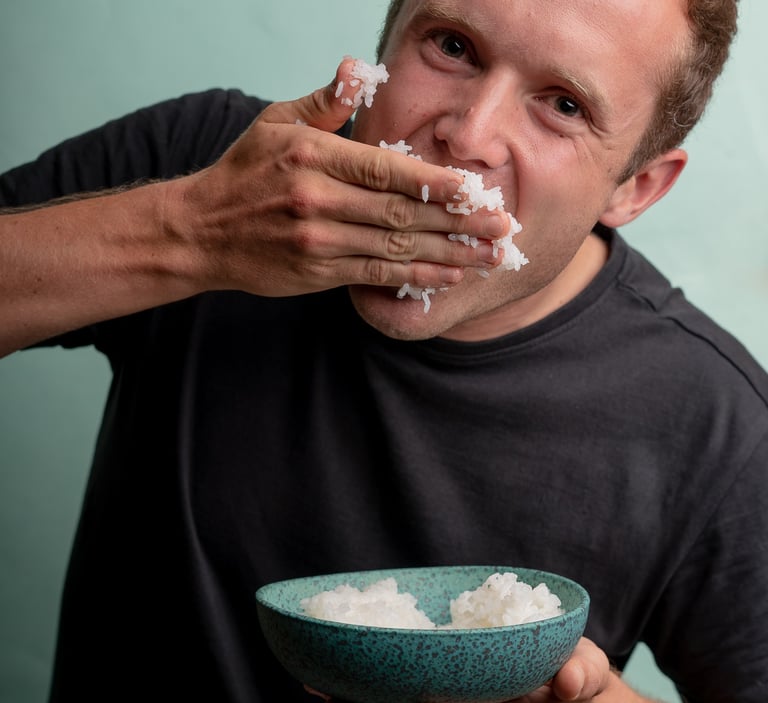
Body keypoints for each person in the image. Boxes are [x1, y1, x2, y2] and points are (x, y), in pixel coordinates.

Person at [1, 0, 765, 700]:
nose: (467, 136)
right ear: (385, 47)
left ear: (635, 188)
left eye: (564, 105)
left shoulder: (721, 424)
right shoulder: (209, 168)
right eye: (452, 45)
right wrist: (189, 234)